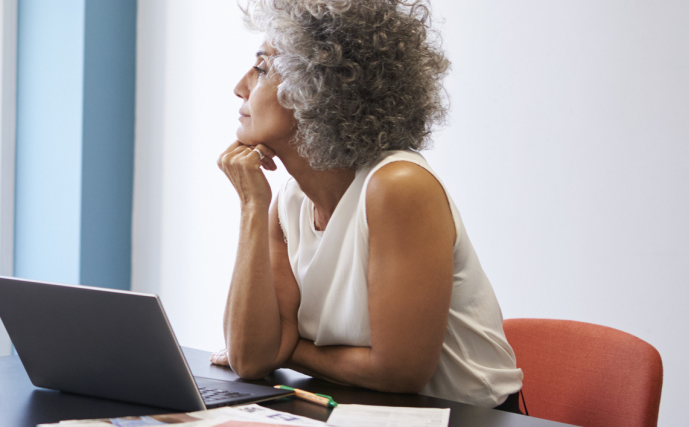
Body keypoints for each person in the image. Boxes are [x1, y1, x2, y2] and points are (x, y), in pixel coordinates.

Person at [209, 0, 524, 410]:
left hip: (465, 418)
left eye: (263, 67)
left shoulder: (399, 187)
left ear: (319, 87)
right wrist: (252, 204)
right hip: (357, 410)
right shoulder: (289, 201)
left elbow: (399, 373)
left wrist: (288, 349)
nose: (241, 86)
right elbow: (250, 359)